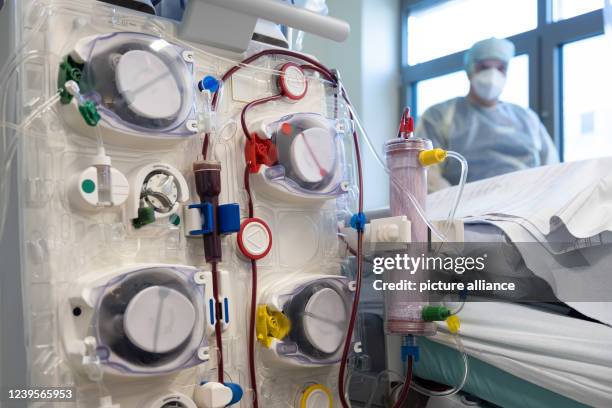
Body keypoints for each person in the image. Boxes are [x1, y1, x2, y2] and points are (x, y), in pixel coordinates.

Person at [416, 37, 559, 191]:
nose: (492, 75)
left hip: (528, 206)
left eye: (501, 68)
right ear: (469, 71)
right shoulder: (439, 116)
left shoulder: (527, 119)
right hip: (465, 210)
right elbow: (427, 174)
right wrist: (454, 207)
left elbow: (553, 171)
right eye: (483, 67)